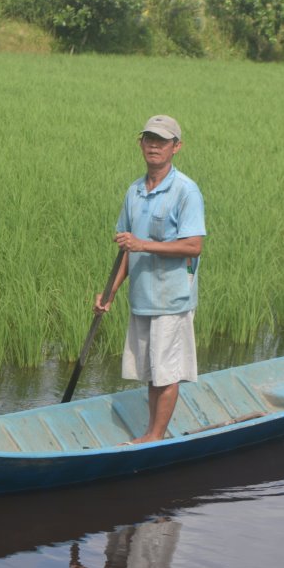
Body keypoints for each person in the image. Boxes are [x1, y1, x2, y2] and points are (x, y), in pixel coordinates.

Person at [95, 115, 206, 444]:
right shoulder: (134, 191)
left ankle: (154, 436)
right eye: (149, 139)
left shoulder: (186, 191)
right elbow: (126, 250)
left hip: (172, 298)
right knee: (153, 371)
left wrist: (143, 244)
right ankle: (153, 432)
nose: (154, 145)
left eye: (162, 140)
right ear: (140, 143)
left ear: (176, 147)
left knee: (166, 372)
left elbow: (193, 246)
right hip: (142, 296)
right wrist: (109, 294)